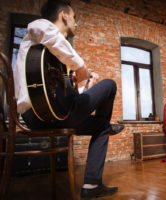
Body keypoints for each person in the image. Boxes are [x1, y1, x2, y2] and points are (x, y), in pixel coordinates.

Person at [14, 0, 124, 199]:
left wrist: (83, 86)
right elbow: (39, 27)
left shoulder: (50, 57)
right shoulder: (39, 28)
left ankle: (92, 185)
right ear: (64, 15)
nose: (76, 23)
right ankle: (104, 122)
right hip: (47, 115)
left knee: (101, 127)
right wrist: (81, 67)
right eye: (74, 17)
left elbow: (56, 99)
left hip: (46, 116)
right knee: (109, 85)